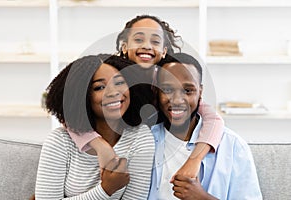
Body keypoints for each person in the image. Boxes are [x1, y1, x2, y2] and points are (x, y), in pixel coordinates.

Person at [69, 15, 225, 180]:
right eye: (138, 39)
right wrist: (99, 146)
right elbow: (71, 114)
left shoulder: (170, 80)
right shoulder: (110, 75)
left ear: (164, 51)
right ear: (124, 46)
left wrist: (195, 159)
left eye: (155, 42)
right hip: (107, 156)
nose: (146, 46)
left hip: (145, 159)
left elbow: (214, 120)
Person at [35, 54, 155, 199]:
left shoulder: (140, 136)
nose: (114, 92)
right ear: (82, 96)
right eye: (99, 87)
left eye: (119, 83)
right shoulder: (60, 141)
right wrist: (105, 190)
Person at [148, 52, 262, 199]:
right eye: (168, 90)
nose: (177, 100)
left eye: (188, 90)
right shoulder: (145, 141)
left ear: (200, 92)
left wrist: (201, 197)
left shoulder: (233, 146)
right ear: (156, 92)